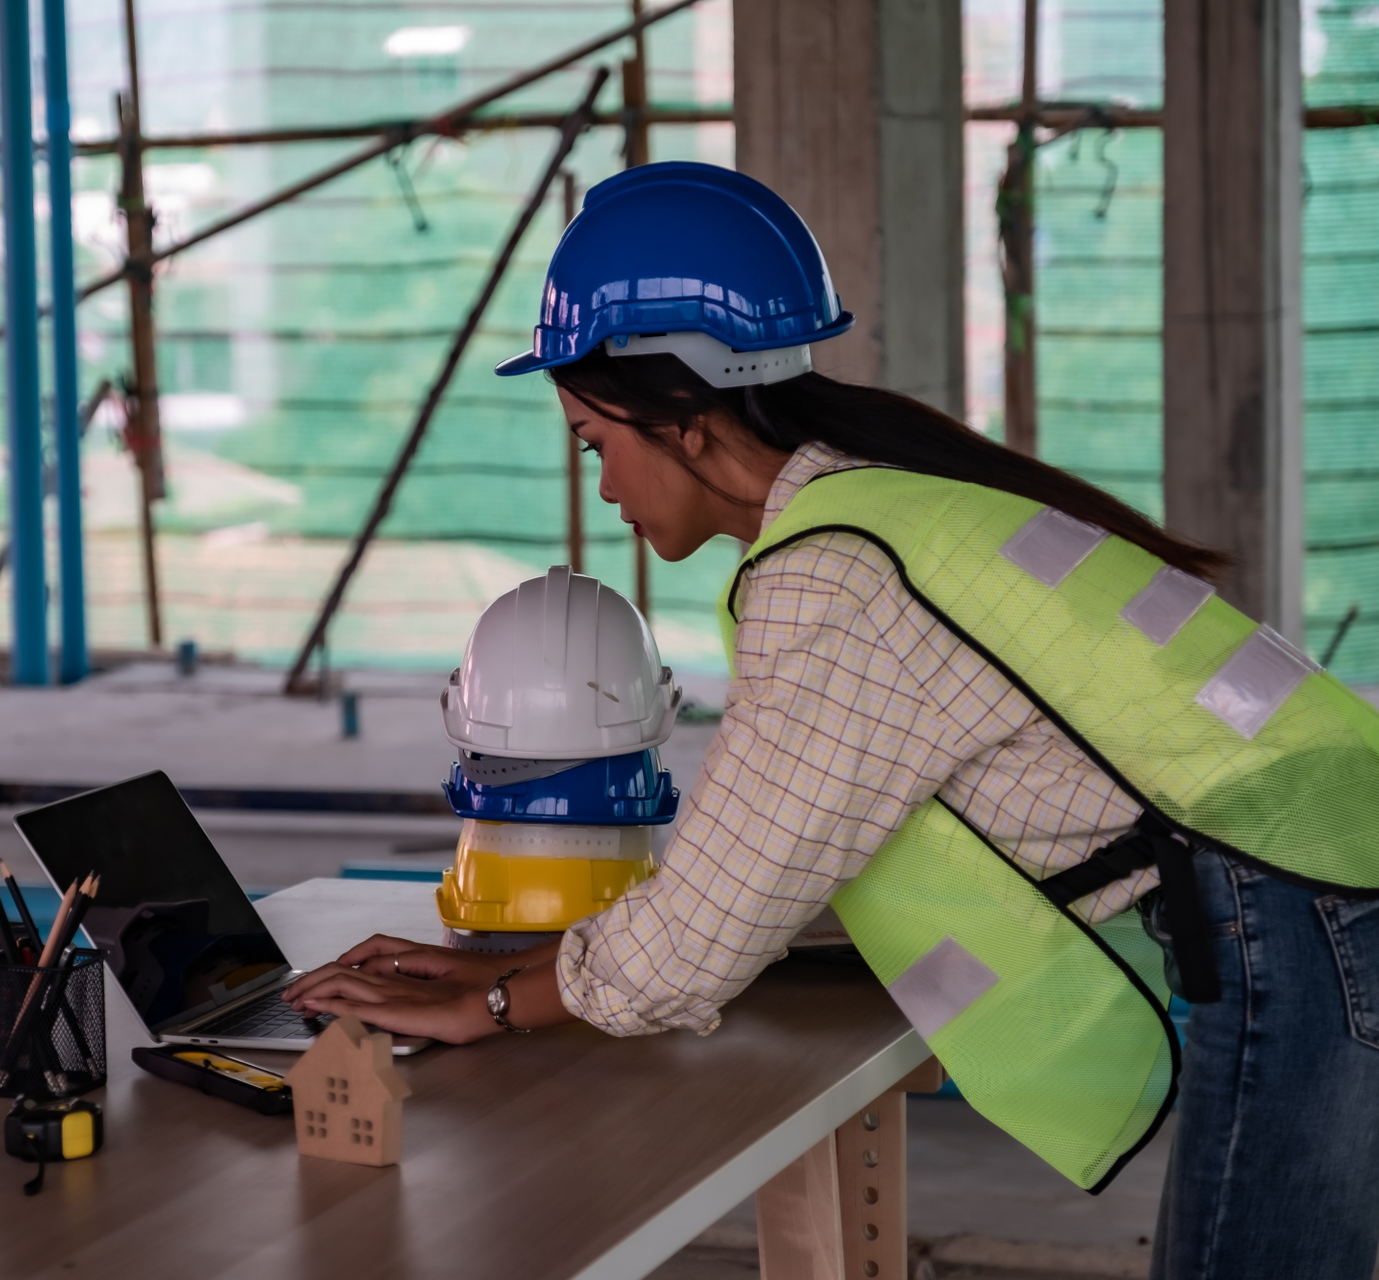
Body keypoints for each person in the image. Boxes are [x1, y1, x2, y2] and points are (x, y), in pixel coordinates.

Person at [280, 161, 1379, 1280]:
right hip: (1330, 883)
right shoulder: (891, 506)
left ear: (684, 417)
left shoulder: (833, 574)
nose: (602, 484)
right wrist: (513, 973)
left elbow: (699, 936)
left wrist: (499, 1000)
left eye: (592, 439)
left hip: (1317, 913)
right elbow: (777, 856)